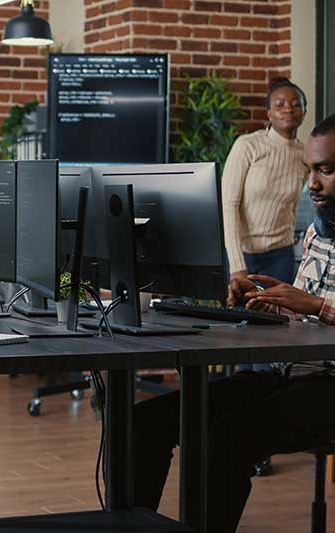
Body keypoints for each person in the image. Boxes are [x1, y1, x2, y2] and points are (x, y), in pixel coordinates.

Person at [132, 113, 335, 533]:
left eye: (326, 171)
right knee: (144, 422)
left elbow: (315, 309)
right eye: (309, 171)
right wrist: (265, 305)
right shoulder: (316, 232)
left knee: (227, 437)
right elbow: (301, 318)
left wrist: (315, 304)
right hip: (292, 375)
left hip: (329, 386)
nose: (311, 184)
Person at [221, 78, 308, 395]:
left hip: (280, 255)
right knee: (245, 336)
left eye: (296, 104)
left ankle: (268, 407)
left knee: (273, 337)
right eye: (280, 104)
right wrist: (237, 267)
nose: (289, 109)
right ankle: (243, 402)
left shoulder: (304, 154)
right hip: (242, 256)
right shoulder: (249, 145)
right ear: (268, 113)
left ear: (304, 111)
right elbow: (228, 205)